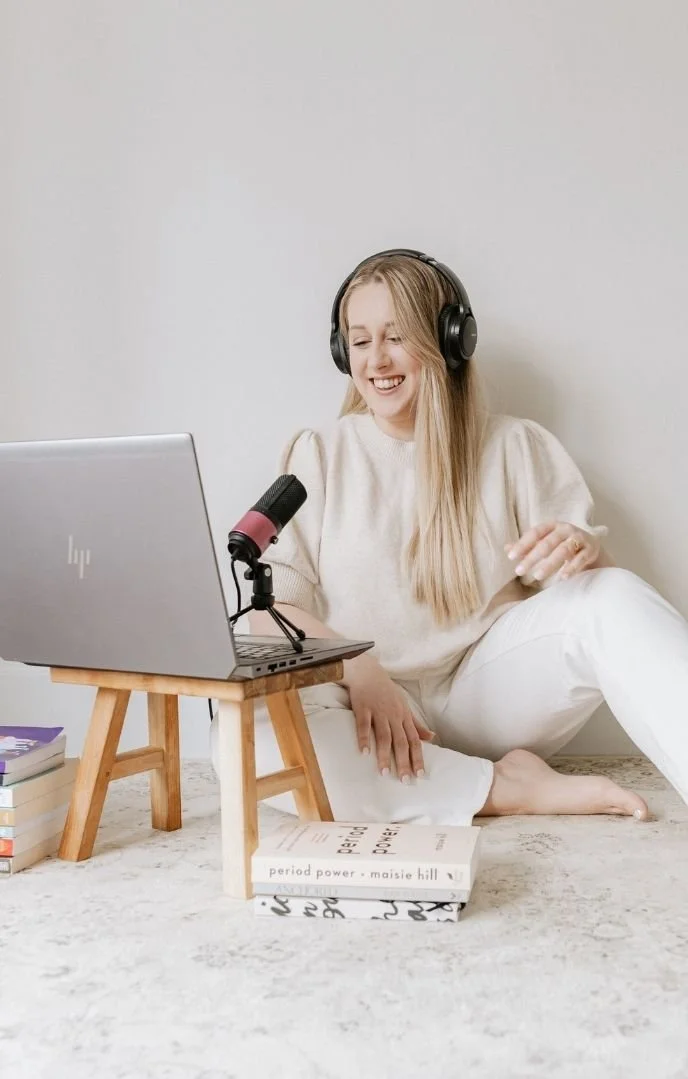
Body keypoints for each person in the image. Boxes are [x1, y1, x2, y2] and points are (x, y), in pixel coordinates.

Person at [215, 248, 688, 826]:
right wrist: (359, 669)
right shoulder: (320, 453)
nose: (376, 361)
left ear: (449, 338)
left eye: (397, 336)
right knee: (244, 731)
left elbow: (593, 608)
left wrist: (587, 555)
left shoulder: (517, 446)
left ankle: (449, 783)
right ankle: (506, 789)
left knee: (613, 594)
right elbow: (270, 611)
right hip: (363, 703)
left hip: (488, 696)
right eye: (359, 341)